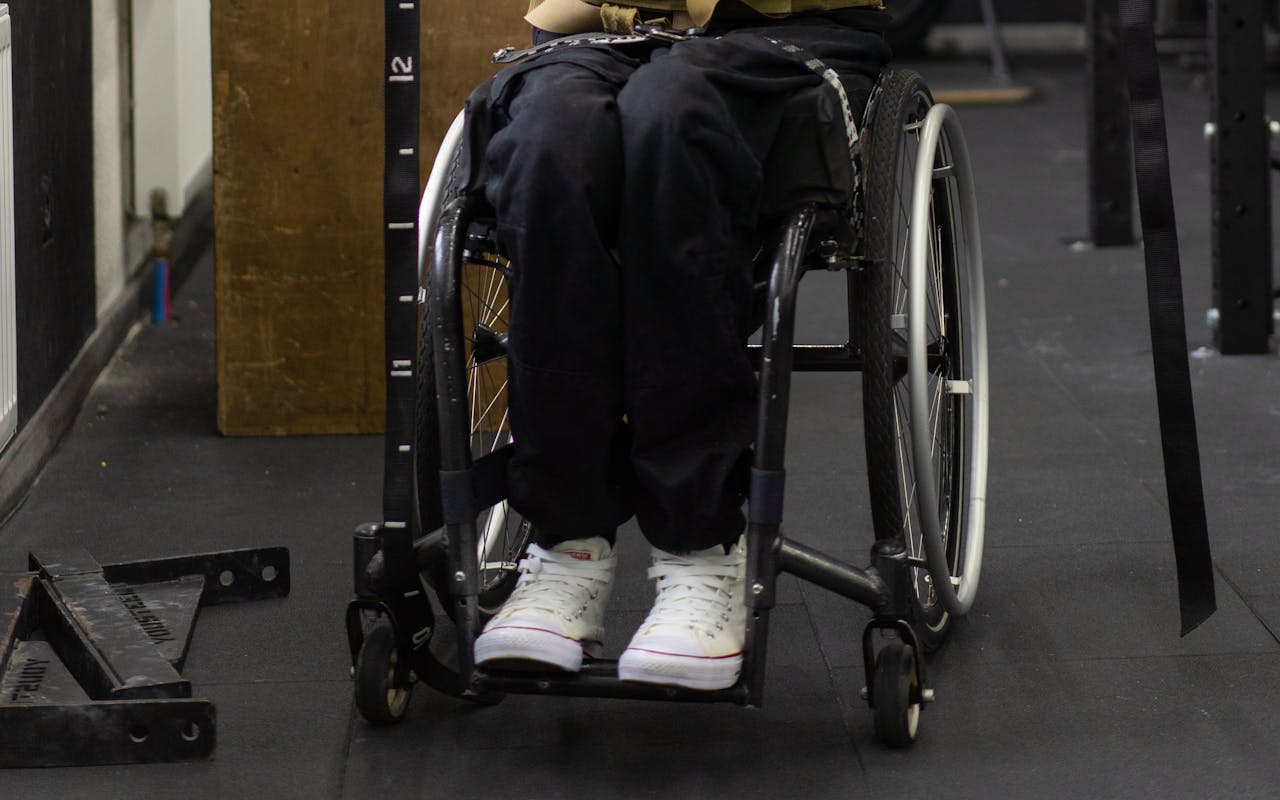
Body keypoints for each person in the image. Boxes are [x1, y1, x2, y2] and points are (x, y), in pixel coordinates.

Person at [462, 0, 891, 691]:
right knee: (550, 139)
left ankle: (701, 546)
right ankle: (566, 543)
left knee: (671, 121)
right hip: (606, 32)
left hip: (780, 33)